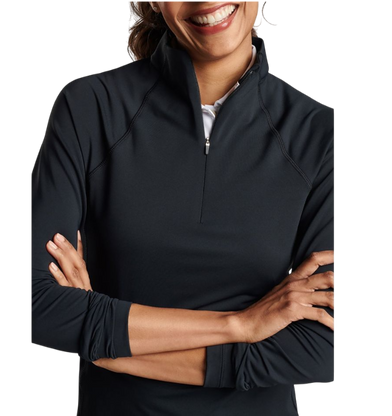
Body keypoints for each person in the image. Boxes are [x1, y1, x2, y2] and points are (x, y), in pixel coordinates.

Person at [29, 1, 337, 415]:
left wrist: (107, 348)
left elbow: (320, 347)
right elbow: (39, 304)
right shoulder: (90, 108)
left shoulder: (320, 138)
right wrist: (240, 325)